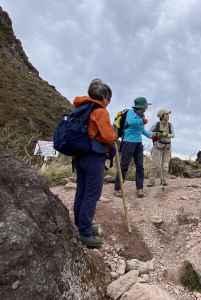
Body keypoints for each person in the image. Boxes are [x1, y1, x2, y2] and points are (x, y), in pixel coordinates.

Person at [73, 79, 117, 248]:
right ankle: (84, 233)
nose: (109, 102)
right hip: (93, 157)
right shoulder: (101, 111)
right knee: (92, 194)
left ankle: (80, 224)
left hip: (79, 156)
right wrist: (114, 135)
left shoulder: (82, 107)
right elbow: (107, 136)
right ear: (104, 97)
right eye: (109, 98)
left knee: (81, 191)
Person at [114, 97, 152, 198]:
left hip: (138, 144)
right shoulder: (130, 113)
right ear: (141, 107)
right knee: (124, 166)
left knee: (140, 166)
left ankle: (140, 189)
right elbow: (131, 122)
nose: (146, 109)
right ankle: (118, 189)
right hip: (128, 142)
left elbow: (142, 130)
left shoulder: (141, 116)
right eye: (145, 107)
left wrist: (152, 135)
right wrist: (142, 121)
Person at [148, 109, 175, 187]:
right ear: (162, 116)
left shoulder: (170, 125)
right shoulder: (156, 125)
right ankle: (151, 181)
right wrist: (157, 134)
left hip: (167, 147)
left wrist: (166, 134)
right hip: (157, 147)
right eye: (166, 114)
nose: (168, 116)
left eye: (168, 114)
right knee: (155, 165)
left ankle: (164, 181)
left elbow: (173, 135)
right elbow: (149, 133)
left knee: (165, 166)